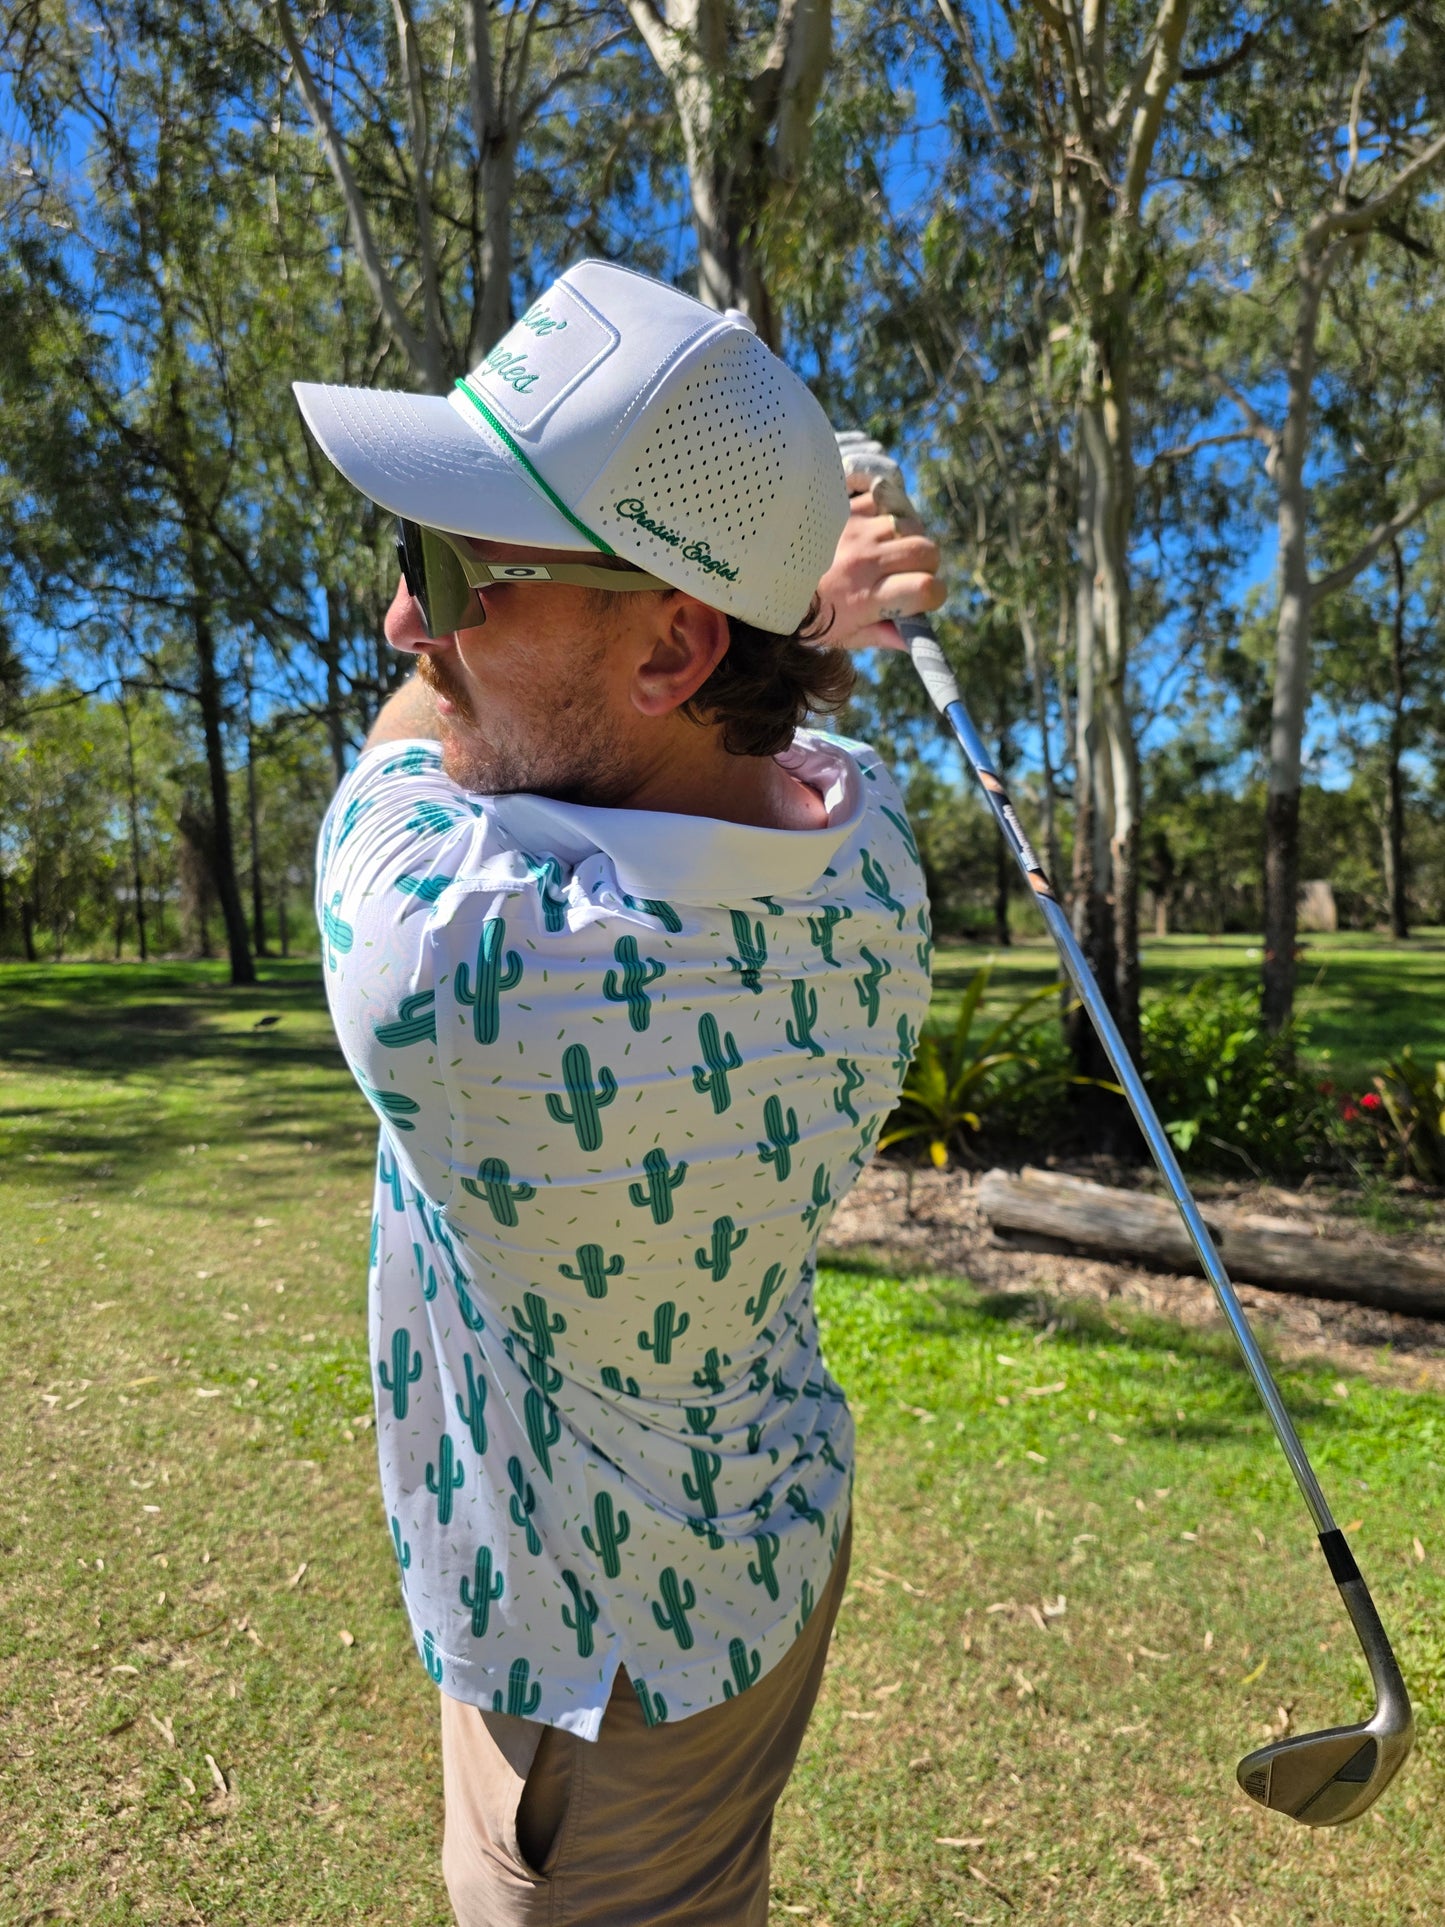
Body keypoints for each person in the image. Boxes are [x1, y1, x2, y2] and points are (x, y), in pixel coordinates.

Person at [295, 258, 944, 1926]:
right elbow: (779, 726)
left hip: (592, 1670)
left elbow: (397, 748)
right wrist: (785, 616)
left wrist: (795, 602)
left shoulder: (449, 965)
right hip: (774, 1548)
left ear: (670, 650)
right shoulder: (870, 863)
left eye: (447, 570)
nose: (403, 621)